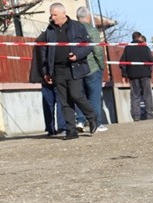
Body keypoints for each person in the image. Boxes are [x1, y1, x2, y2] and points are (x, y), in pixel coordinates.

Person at [41, 2, 98, 140]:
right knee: (64, 101)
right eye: (51, 15)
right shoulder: (49, 30)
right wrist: (46, 71)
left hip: (75, 68)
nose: (52, 17)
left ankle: (92, 117)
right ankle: (71, 130)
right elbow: (44, 52)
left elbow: (88, 46)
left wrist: (77, 55)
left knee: (76, 95)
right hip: (58, 70)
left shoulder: (77, 27)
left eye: (54, 14)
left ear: (63, 13)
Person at [74, 7, 107, 132]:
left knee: (80, 96)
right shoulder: (91, 30)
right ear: (88, 17)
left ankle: (80, 121)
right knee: (94, 97)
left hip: (77, 68)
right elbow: (97, 49)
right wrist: (101, 65)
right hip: (92, 68)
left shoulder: (73, 29)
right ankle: (97, 123)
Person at [29, 30, 66, 136]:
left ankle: (51, 128)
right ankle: (61, 127)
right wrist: (47, 73)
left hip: (44, 75)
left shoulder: (41, 37)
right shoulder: (53, 37)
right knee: (60, 100)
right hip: (54, 73)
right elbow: (45, 57)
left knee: (48, 102)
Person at [120, 31, 153, 121]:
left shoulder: (127, 48)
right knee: (147, 94)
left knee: (135, 96)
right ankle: (149, 115)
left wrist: (124, 74)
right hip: (145, 74)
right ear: (139, 38)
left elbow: (122, 62)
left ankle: (136, 116)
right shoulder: (144, 47)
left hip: (133, 75)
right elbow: (151, 59)